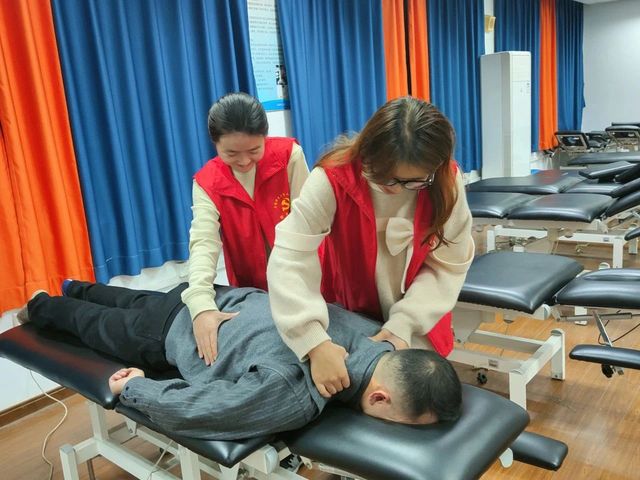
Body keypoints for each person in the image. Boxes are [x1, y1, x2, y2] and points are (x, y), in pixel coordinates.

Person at [17, 281, 462, 441]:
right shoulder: (296, 391)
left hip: (210, 296)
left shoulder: (374, 332)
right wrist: (133, 388)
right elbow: (199, 411)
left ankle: (75, 284)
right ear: (380, 397)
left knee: (124, 298)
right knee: (92, 323)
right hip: (169, 331)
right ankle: (39, 305)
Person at [266, 97, 474, 399]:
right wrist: (312, 340)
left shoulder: (445, 182)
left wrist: (404, 324)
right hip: (349, 318)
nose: (395, 189)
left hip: (418, 320)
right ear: (367, 151)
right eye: (385, 177)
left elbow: (446, 268)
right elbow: (290, 257)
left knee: (414, 402)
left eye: (412, 182)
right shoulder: (333, 178)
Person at [183, 92, 309, 366]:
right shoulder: (207, 182)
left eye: (254, 151)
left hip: (303, 275)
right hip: (252, 284)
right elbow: (203, 243)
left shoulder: (289, 156)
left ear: (265, 136)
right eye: (231, 153)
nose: (243, 161)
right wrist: (200, 303)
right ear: (215, 144)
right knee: (269, 349)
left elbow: (309, 221)